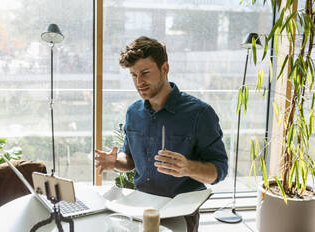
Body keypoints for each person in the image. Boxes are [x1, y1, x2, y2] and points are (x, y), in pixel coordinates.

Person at [95, 36, 228, 232]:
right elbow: (130, 160)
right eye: (133, 75)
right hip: (140, 208)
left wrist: (188, 167)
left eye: (145, 73)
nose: (139, 82)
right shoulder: (133, 112)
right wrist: (115, 162)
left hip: (180, 213)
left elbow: (220, 170)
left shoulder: (200, 114)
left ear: (165, 68)